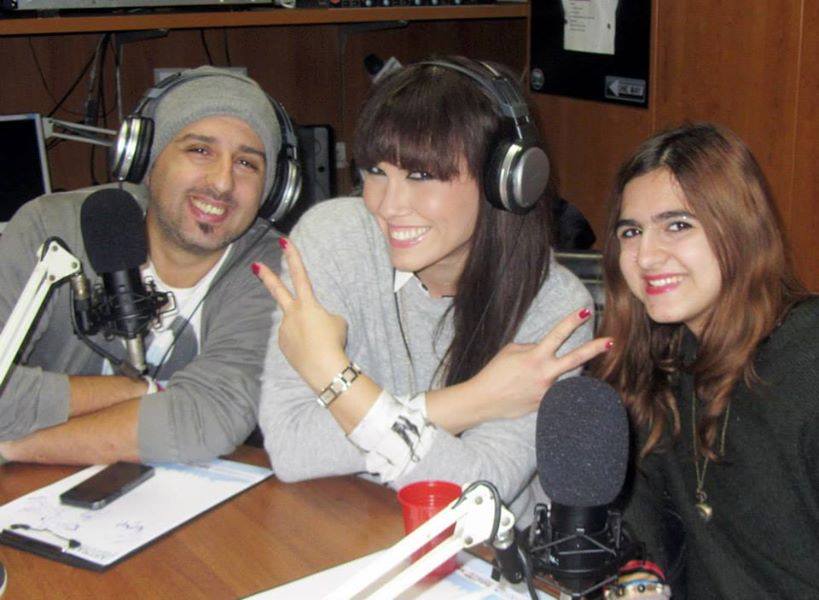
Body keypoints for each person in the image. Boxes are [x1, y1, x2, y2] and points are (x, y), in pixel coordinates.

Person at [253, 56, 611, 525]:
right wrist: (472, 400)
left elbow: (478, 490)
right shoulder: (335, 236)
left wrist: (332, 374)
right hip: (353, 521)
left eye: (421, 176)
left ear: (504, 180)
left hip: (481, 553)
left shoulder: (556, 308)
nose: (387, 205)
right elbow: (291, 446)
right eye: (375, 171)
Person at [0, 66, 286, 465]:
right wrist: (137, 392)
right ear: (144, 161)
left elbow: (206, 421)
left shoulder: (270, 270)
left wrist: (12, 448)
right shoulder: (50, 230)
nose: (222, 183)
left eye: (246, 163)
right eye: (200, 150)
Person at [594, 123, 819, 598]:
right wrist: (637, 580)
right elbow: (646, 539)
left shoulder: (808, 359)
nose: (646, 256)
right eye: (631, 232)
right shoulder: (660, 363)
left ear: (739, 228)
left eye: (677, 225)